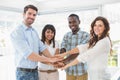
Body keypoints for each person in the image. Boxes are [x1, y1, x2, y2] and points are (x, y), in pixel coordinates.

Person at [10, 5, 61, 80]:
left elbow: (42, 48)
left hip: (35, 72)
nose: (32, 16)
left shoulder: (34, 31)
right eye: (29, 13)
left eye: (34, 15)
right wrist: (50, 60)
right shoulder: (17, 32)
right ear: (23, 14)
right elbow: (29, 54)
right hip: (23, 73)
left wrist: (54, 60)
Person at [60, 14, 90, 80]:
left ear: (79, 21)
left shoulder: (86, 35)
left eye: (74, 22)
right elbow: (63, 47)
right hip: (69, 71)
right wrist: (60, 58)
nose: (72, 24)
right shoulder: (66, 35)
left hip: (81, 71)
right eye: (70, 22)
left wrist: (65, 61)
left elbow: (79, 51)